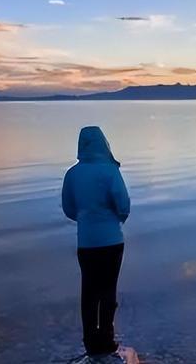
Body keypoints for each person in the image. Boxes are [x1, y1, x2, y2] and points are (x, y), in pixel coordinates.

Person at [62, 126, 130, 361]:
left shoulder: (72, 174)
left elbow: (69, 208)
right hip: (111, 241)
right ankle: (107, 341)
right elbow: (123, 205)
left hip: (86, 243)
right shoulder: (110, 171)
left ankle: (91, 344)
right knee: (108, 291)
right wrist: (113, 219)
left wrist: (86, 219)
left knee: (89, 293)